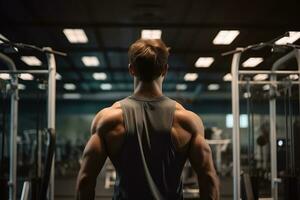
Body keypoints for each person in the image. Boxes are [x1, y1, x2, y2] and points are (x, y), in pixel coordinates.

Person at [76, 39, 219, 200]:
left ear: (131, 70)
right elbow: (208, 179)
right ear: (165, 70)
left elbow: (85, 180)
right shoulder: (187, 121)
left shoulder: (108, 119)